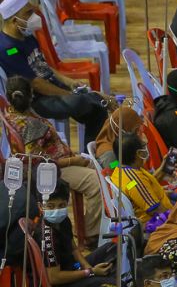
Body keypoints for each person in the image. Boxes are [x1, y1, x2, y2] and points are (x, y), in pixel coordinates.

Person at [0, 0, 111, 145]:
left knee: (96, 109)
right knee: (83, 102)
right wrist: (68, 94)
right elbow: (36, 83)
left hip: (50, 90)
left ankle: (92, 157)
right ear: (14, 20)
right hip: (35, 101)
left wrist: (69, 82)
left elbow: (43, 66)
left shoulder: (27, 37)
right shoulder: (7, 49)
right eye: (28, 13)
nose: (34, 16)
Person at [4, 76, 104, 243]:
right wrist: (74, 161)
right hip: (51, 171)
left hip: (56, 163)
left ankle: (104, 220)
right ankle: (90, 234)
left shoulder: (10, 113)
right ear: (31, 95)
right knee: (97, 183)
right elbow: (38, 162)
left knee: (102, 169)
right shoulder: (30, 125)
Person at [36, 178, 116, 287]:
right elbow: (54, 278)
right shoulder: (47, 237)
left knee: (112, 248)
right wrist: (90, 272)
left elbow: (73, 247)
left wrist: (88, 268)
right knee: (117, 286)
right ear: (40, 206)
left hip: (75, 270)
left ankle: (103, 282)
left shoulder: (63, 220)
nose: (56, 210)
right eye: (51, 206)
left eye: (61, 205)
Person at [107, 131, 174, 225]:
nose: (146, 149)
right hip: (154, 222)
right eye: (143, 146)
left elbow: (144, 186)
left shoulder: (121, 169)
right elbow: (156, 210)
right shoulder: (134, 181)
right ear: (138, 153)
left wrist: (163, 169)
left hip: (159, 207)